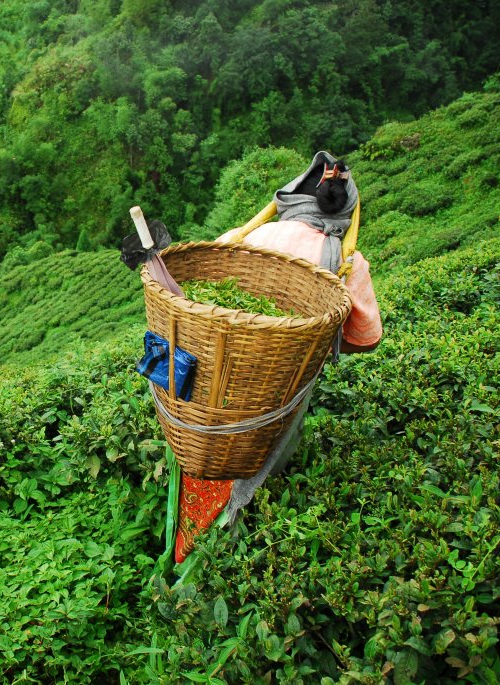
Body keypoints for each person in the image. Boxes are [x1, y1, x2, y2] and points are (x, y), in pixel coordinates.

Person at [173, 151, 382, 563]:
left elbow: (196, 296)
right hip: (280, 391)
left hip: (212, 383)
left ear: (293, 196)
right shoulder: (347, 263)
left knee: (206, 451)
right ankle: (239, 536)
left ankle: (190, 529)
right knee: (265, 451)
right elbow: (367, 339)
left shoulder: (249, 237)